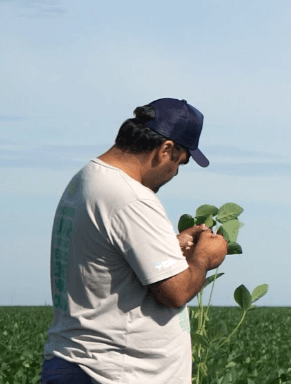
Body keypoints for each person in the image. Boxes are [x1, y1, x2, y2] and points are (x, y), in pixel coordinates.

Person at [40, 98, 228, 384]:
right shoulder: (131, 198)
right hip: (114, 372)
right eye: (180, 162)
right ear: (166, 149)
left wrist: (167, 246)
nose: (175, 173)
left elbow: (104, 258)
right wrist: (205, 256)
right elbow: (174, 292)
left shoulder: (87, 180)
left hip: (78, 361)